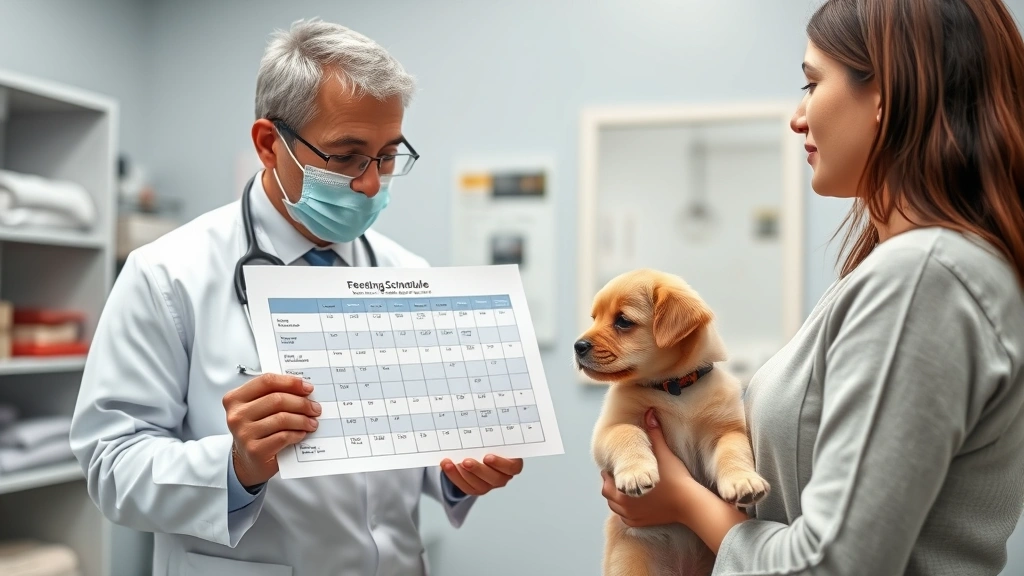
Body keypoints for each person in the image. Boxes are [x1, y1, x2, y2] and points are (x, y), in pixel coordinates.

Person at [69, 18, 523, 576]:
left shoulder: (406, 272)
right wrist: (236, 466)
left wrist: (454, 474)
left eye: (386, 156)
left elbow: (407, 449)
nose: (372, 184)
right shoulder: (167, 275)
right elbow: (110, 468)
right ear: (268, 144)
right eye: (348, 155)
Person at [600, 0, 1024, 574]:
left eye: (811, 84)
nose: (798, 117)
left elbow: (831, 565)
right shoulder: (914, 271)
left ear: (886, 94)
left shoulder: (922, 277)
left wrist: (683, 502)